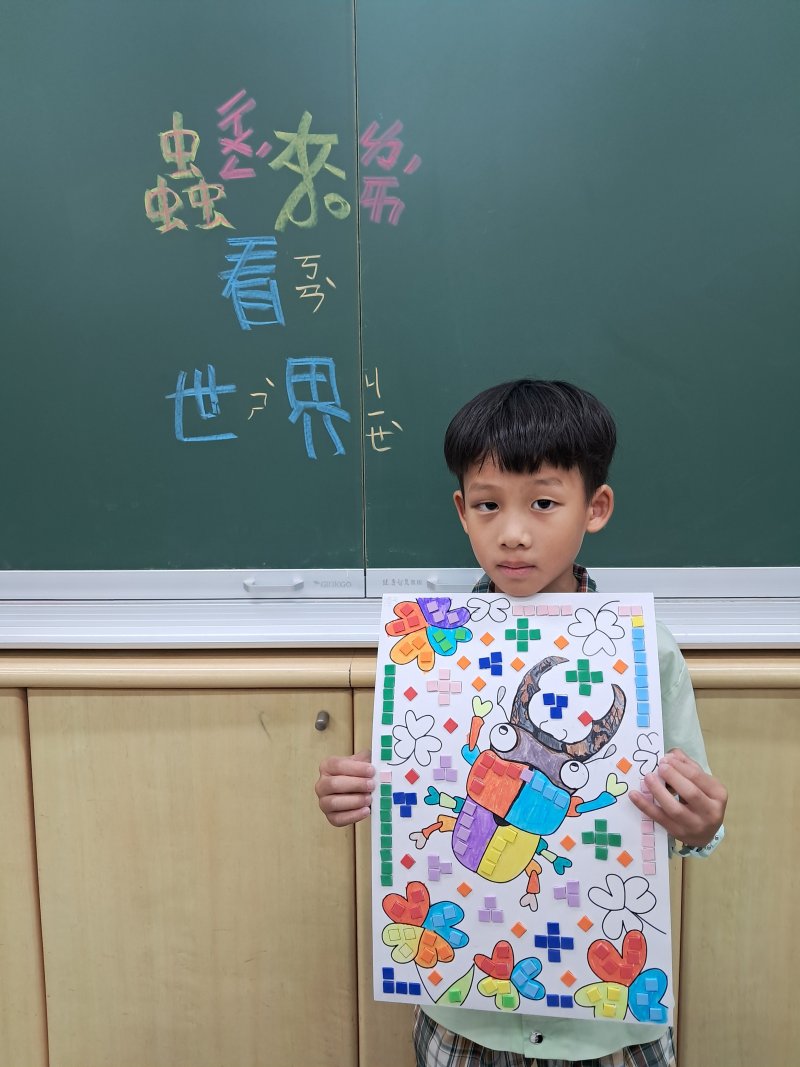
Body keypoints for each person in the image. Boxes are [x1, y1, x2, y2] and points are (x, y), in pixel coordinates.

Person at [316, 379, 727, 1067]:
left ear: (595, 507)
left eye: (543, 502)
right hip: (463, 1011)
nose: (512, 531)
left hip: (608, 1023)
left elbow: (687, 820)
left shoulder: (645, 652)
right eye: (488, 504)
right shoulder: (428, 653)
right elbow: (421, 777)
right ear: (462, 511)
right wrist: (357, 789)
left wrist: (702, 824)